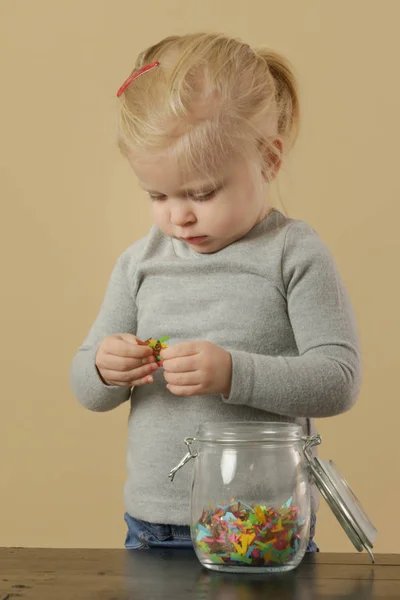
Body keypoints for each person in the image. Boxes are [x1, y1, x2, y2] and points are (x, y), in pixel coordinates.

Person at [70, 33, 361, 552]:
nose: (178, 214)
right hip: (154, 525)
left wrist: (233, 372)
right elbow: (89, 390)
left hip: (266, 526)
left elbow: (338, 380)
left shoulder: (293, 254)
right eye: (157, 195)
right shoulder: (140, 264)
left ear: (268, 161)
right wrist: (103, 368)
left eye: (202, 193)